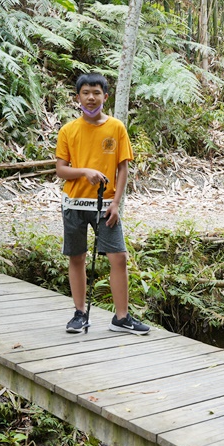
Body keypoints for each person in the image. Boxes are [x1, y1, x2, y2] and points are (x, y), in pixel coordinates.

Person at [55, 73, 150, 335]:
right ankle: (79, 313)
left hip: (105, 204)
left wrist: (116, 202)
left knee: (118, 257)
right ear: (78, 98)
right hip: (75, 202)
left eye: (96, 92)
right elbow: (61, 170)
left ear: (105, 97)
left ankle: (121, 318)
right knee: (77, 257)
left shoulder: (116, 128)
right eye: (85, 92)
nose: (91, 97)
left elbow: (123, 168)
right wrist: (84, 172)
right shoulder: (68, 130)